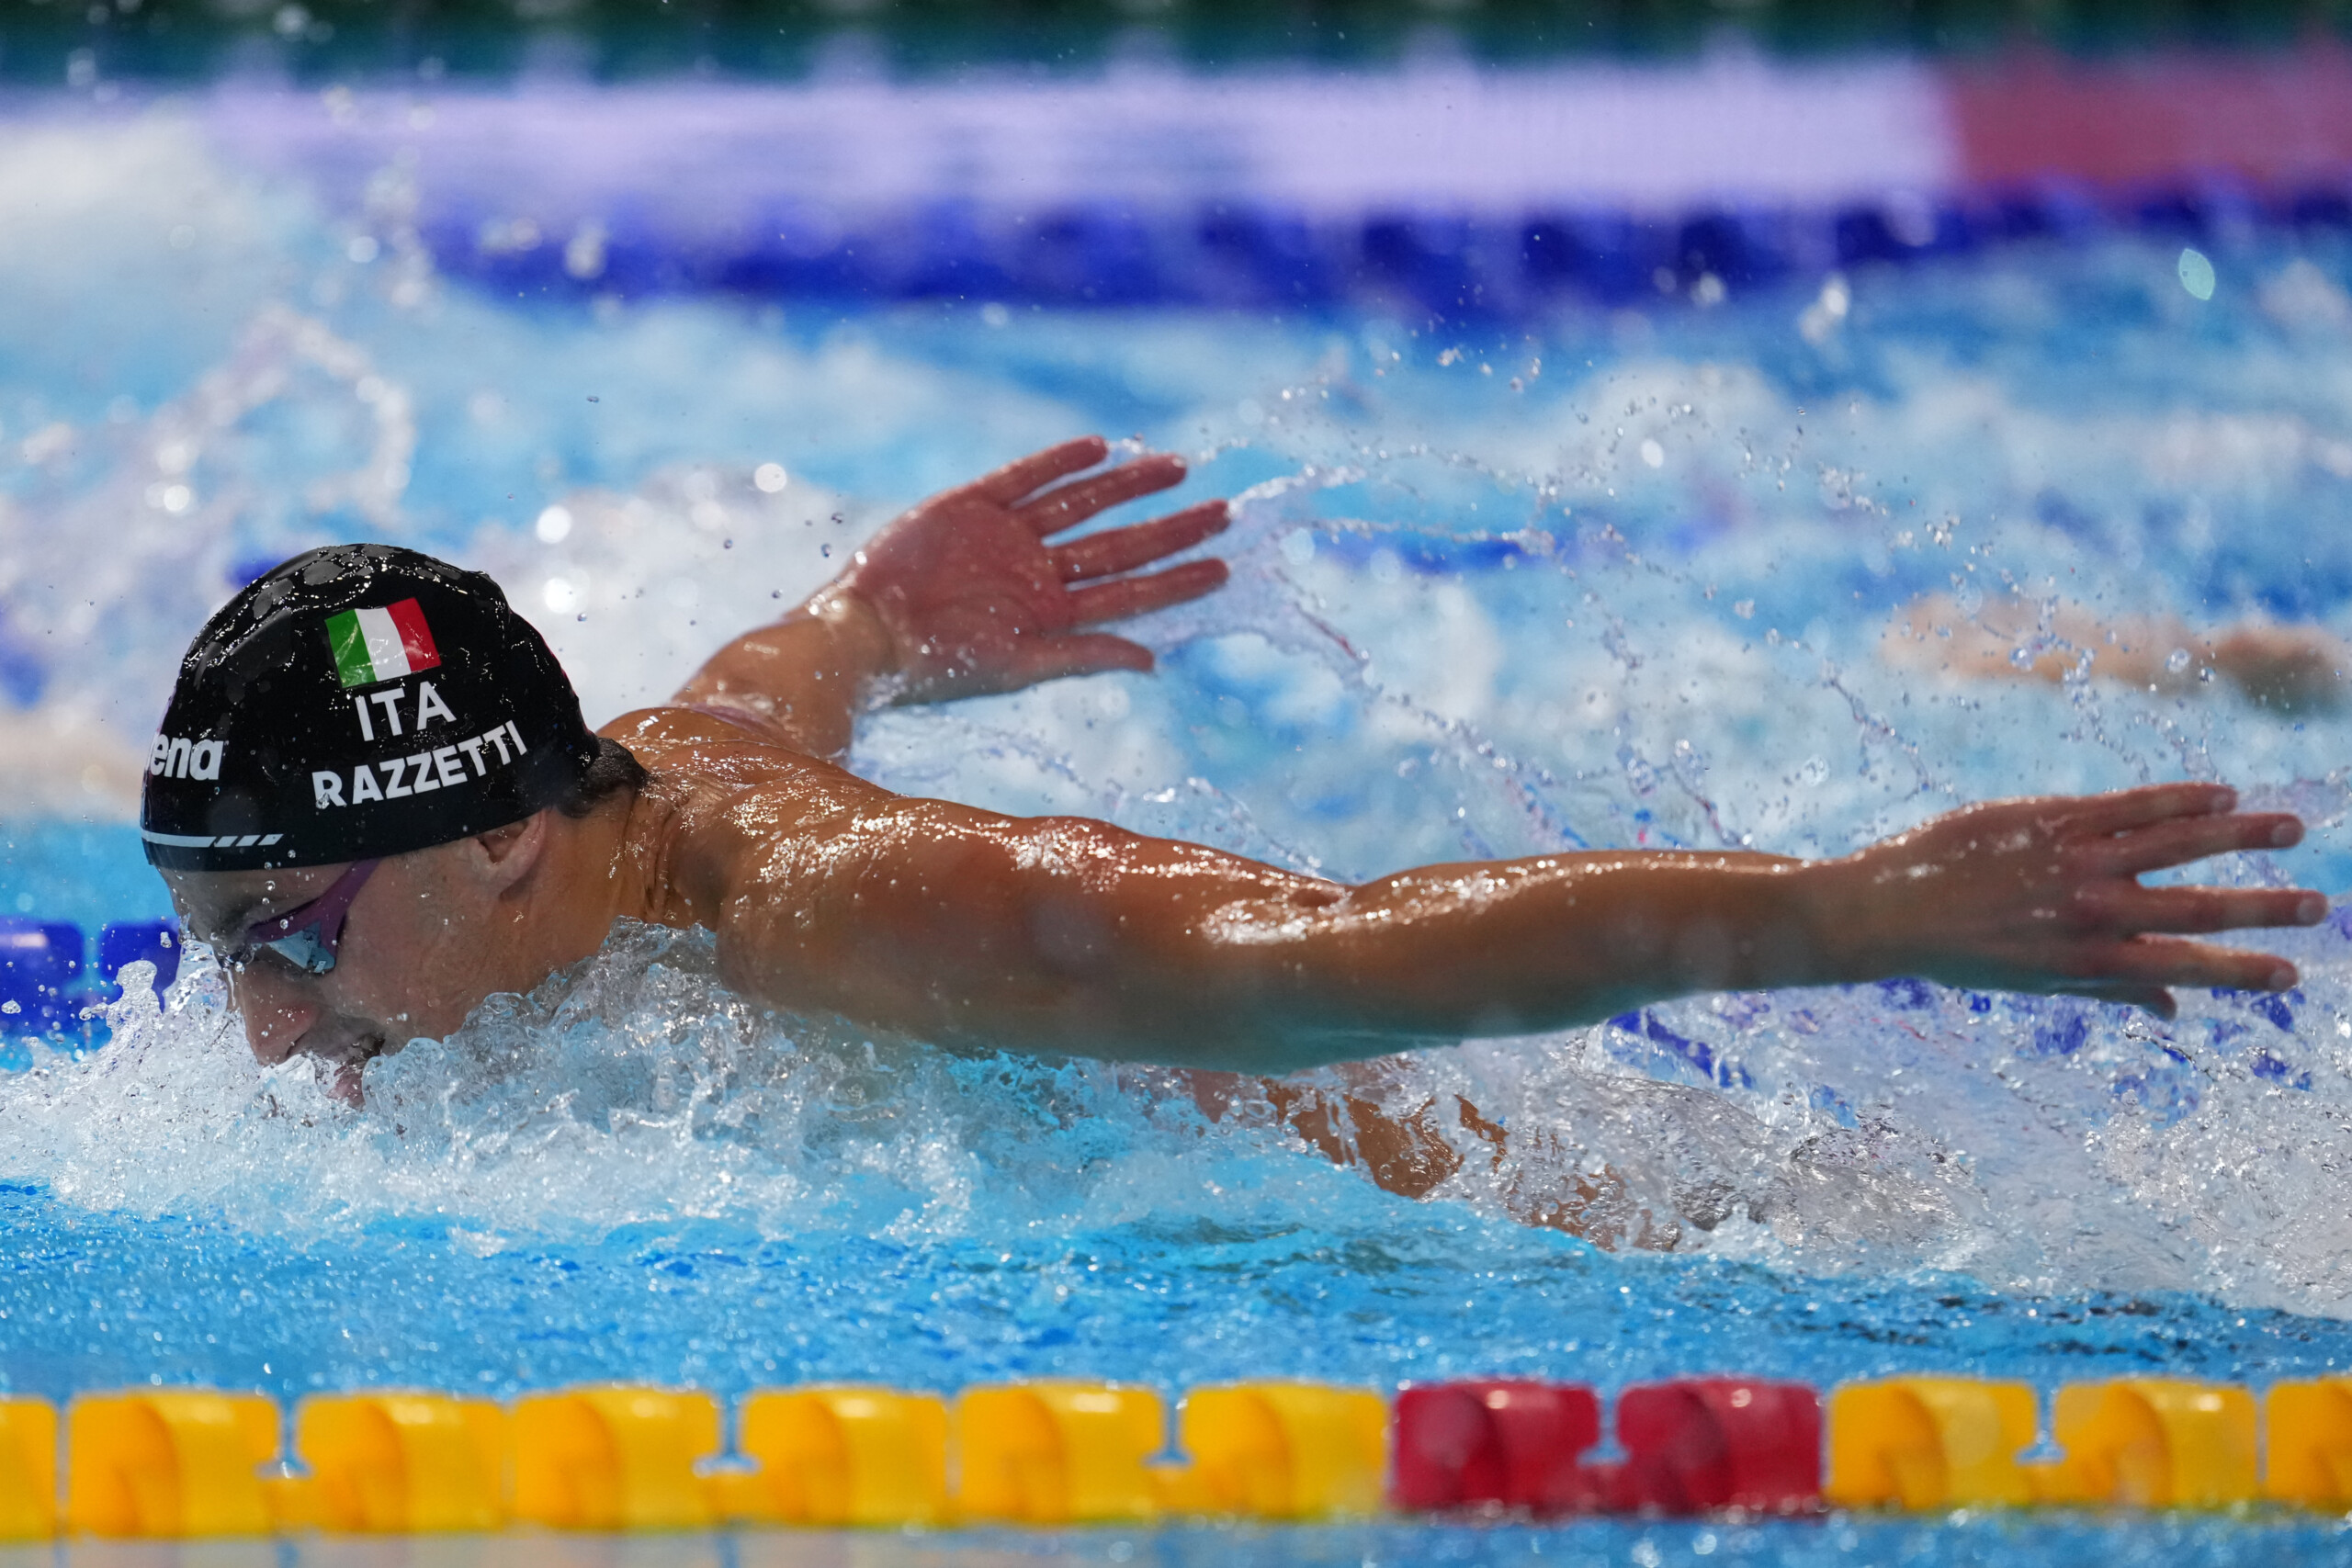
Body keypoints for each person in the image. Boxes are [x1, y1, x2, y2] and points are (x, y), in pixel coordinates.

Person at [145, 440, 2325, 1224]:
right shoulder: (609, 774)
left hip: (1559, 1224)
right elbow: (748, 687)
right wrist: (875, 614)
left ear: (501, 837)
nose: (260, 1020)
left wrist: (1851, 905)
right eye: (221, 938)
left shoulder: (853, 916)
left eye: (291, 934)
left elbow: (1340, 951)